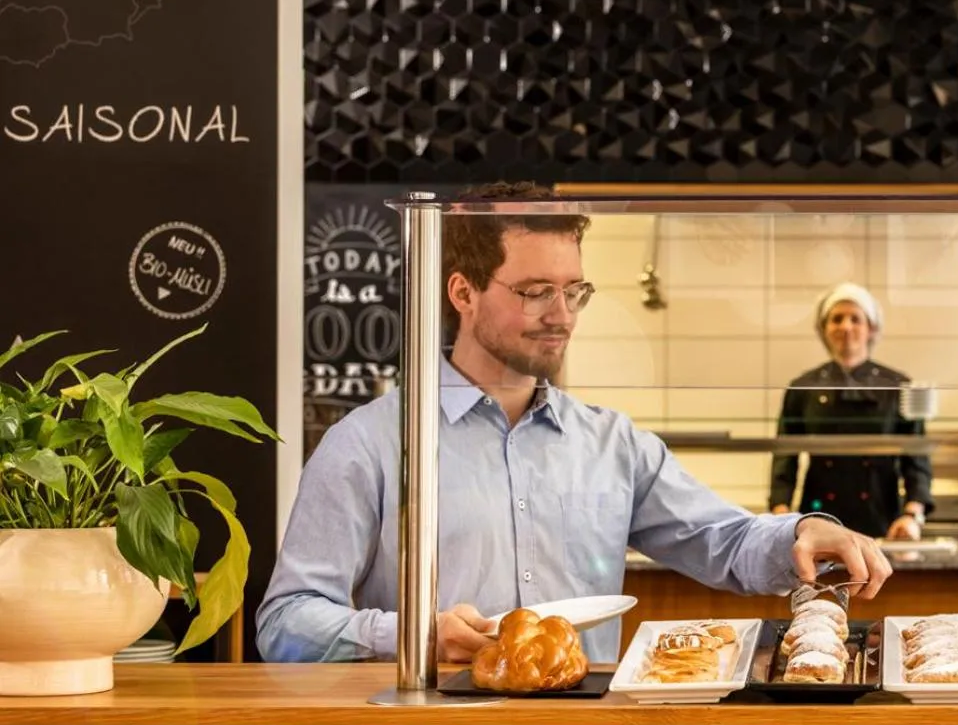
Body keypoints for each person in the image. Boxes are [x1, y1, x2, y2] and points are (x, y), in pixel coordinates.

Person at [258, 181, 891, 664]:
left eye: (574, 291)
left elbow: (723, 541)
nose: (561, 315)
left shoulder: (611, 444)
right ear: (462, 292)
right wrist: (416, 635)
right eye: (535, 291)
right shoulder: (368, 443)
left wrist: (802, 533)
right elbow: (285, 623)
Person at [770, 283, 932, 540]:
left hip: (883, 519)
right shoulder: (802, 387)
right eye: (837, 319)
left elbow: (917, 458)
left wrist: (912, 515)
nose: (846, 327)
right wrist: (781, 515)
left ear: (871, 328)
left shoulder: (899, 386)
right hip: (818, 518)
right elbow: (784, 457)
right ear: (824, 328)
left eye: (855, 319)